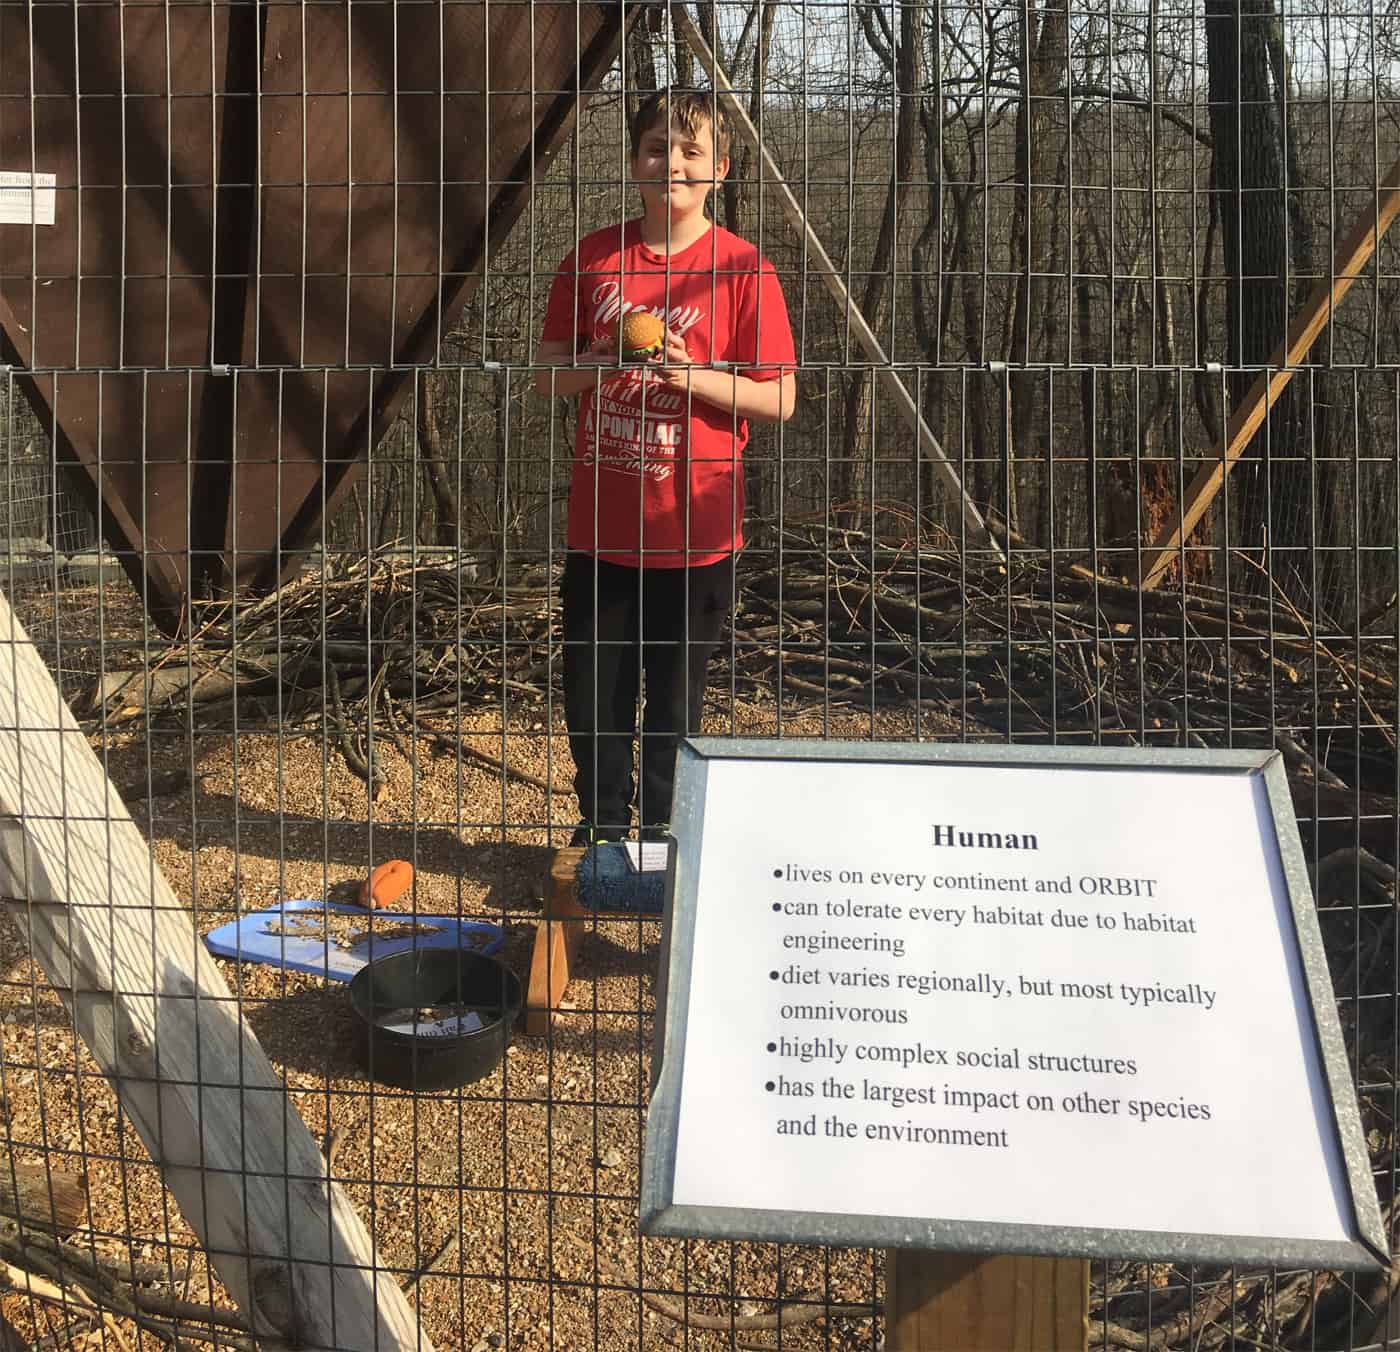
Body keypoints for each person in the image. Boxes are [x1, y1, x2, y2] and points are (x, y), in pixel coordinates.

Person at [534, 88, 797, 846]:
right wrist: (607, 355)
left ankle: (663, 834)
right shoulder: (592, 258)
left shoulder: (744, 270)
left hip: (696, 533)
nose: (671, 164)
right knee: (593, 698)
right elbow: (549, 376)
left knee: (675, 703)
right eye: (656, 147)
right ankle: (602, 833)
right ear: (634, 162)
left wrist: (696, 376)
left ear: (720, 168)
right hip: (603, 531)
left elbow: (780, 399)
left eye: (689, 151)